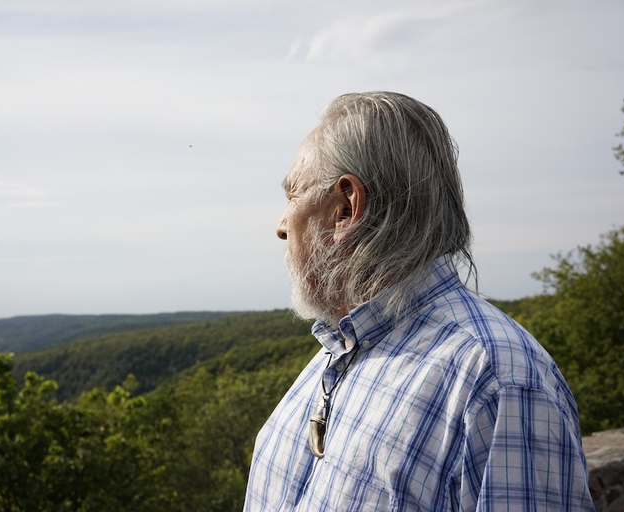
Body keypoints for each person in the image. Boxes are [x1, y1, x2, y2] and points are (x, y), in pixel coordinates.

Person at [243, 92, 594, 511]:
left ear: (345, 207)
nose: (281, 226)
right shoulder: (338, 352)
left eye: (292, 196)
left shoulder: (498, 380)